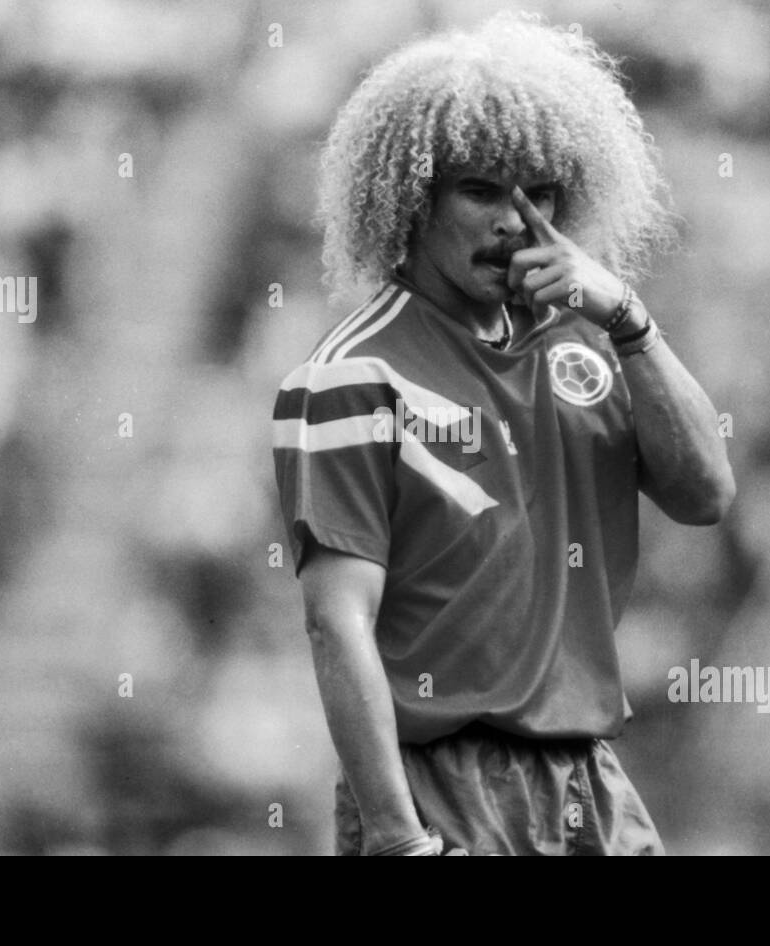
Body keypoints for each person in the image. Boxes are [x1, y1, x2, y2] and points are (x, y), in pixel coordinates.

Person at [272, 13, 735, 855]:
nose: (516, 223)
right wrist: (396, 836)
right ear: (410, 196)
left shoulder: (589, 342)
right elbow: (334, 623)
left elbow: (706, 494)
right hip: (444, 788)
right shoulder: (354, 375)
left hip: (589, 779)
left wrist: (631, 319)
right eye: (482, 191)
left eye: (540, 193)